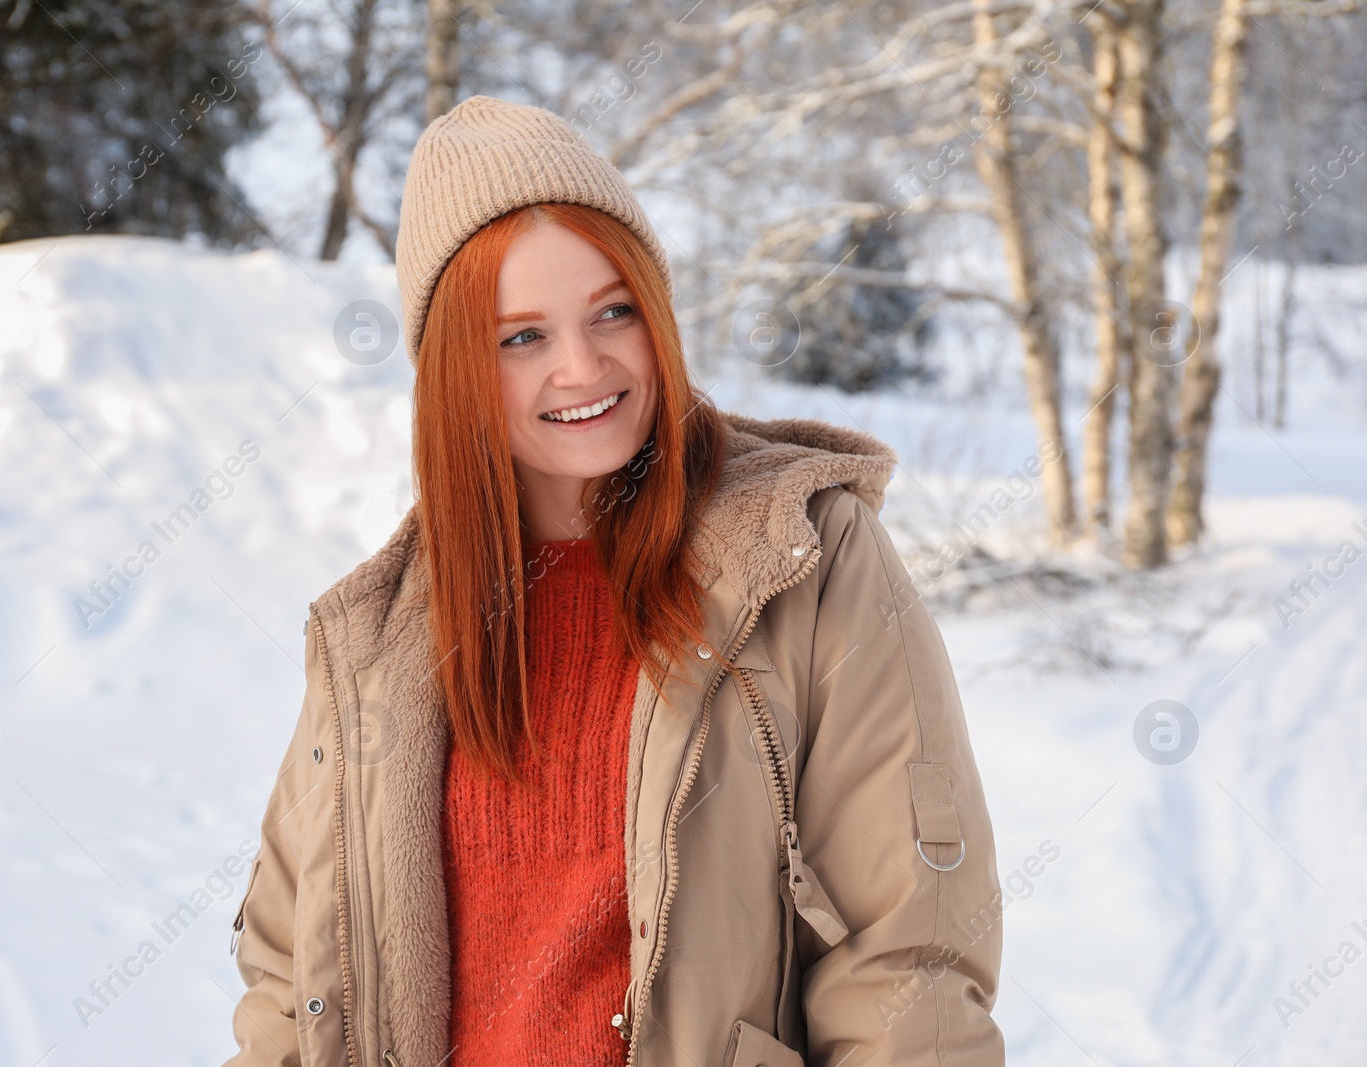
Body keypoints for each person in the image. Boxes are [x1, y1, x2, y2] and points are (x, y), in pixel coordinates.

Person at [224, 95, 1004, 1067]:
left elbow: (908, 961)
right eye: (522, 337)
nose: (582, 366)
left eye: (612, 311)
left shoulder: (804, 563)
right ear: (456, 372)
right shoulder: (376, 641)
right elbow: (285, 973)